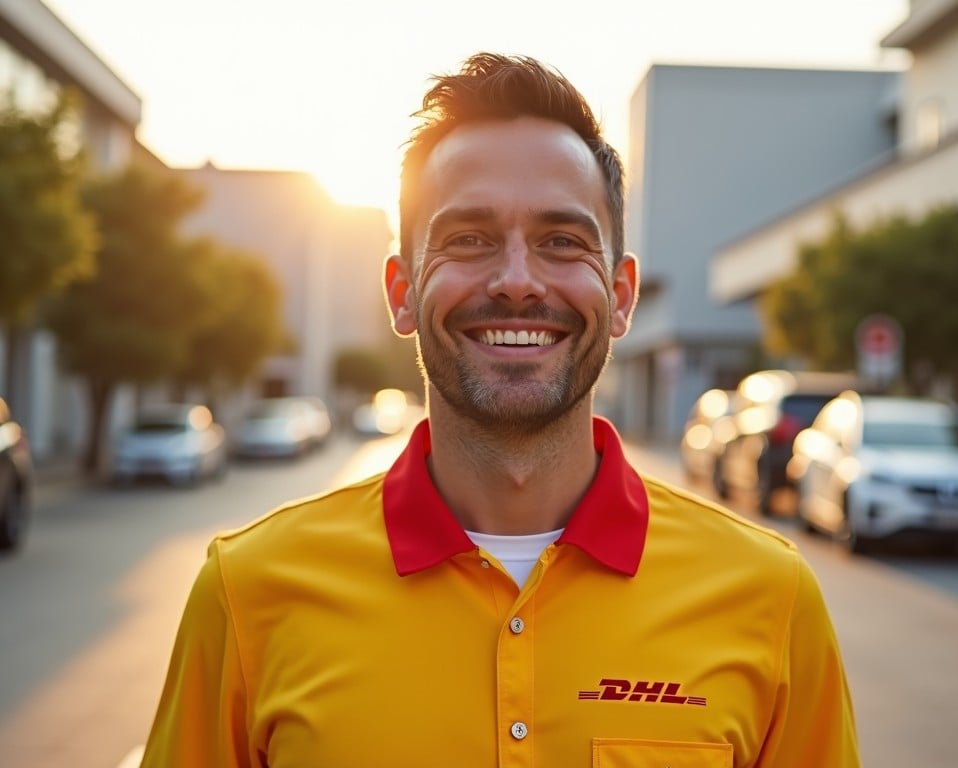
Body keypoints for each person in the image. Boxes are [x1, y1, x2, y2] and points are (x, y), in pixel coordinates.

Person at [139, 52, 860, 767]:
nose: (517, 282)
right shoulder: (246, 594)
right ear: (400, 291)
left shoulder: (771, 598)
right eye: (469, 239)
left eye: (561, 242)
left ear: (621, 295)